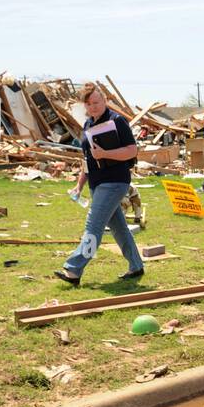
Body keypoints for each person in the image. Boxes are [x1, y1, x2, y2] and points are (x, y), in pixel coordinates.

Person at [56, 83, 144, 286]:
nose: (93, 107)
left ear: (104, 101)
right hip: (96, 184)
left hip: (115, 182)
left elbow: (132, 151)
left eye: (96, 102)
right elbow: (87, 160)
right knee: (119, 228)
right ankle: (136, 265)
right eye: (88, 104)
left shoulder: (117, 121)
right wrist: (79, 185)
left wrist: (105, 154)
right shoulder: (88, 124)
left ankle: (74, 269)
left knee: (93, 227)